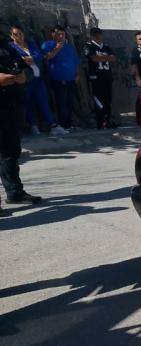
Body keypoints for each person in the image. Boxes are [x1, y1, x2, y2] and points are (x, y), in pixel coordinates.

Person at [1, 39, 41, 211]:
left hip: (10, 105)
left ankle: (15, 192)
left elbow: (27, 67)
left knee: (10, 151)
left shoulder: (5, 46)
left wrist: (24, 75)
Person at [8, 25, 67, 136]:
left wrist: (32, 58)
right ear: (11, 36)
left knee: (43, 100)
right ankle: (33, 125)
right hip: (25, 79)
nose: (19, 36)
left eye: (20, 33)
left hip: (38, 77)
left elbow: (39, 55)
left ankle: (53, 125)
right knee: (28, 102)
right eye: (16, 34)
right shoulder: (11, 47)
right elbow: (17, 59)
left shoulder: (30, 44)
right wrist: (26, 59)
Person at [42, 26, 80, 130]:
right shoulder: (48, 44)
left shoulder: (69, 47)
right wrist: (57, 49)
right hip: (58, 78)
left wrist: (77, 74)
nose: (61, 36)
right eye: (58, 34)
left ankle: (69, 123)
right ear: (53, 34)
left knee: (70, 102)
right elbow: (47, 57)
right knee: (61, 102)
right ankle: (64, 125)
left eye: (63, 34)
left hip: (71, 79)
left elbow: (75, 61)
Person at [84, 27, 117, 129]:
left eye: (99, 35)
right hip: (96, 77)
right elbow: (94, 58)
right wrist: (106, 58)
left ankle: (107, 121)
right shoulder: (88, 46)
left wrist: (102, 58)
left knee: (108, 100)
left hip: (107, 76)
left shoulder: (106, 47)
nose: (98, 37)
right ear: (92, 36)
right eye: (95, 35)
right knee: (99, 100)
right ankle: (100, 122)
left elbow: (114, 58)